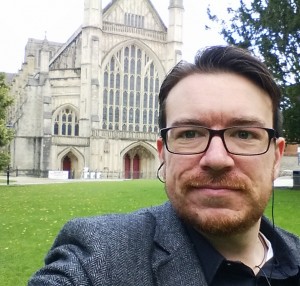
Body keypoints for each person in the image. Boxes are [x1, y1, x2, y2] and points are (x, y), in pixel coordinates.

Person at [28, 45, 300, 285]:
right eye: (190, 134)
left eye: (244, 134)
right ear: (163, 154)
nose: (216, 159)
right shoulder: (97, 255)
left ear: (276, 157)